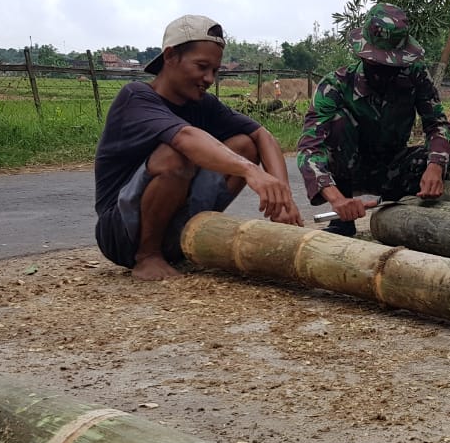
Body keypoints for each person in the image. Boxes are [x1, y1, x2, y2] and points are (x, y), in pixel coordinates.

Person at [94, 14, 301, 280]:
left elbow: (263, 136)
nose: (209, 78)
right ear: (170, 57)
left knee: (244, 145)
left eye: (214, 70)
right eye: (201, 66)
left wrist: (283, 197)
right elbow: (185, 138)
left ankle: (192, 236)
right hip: (121, 234)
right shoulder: (136, 97)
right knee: (176, 154)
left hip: (177, 225)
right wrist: (252, 172)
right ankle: (148, 256)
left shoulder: (203, 104)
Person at [297, 3, 450, 236]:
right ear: (364, 55)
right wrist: (337, 198)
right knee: (338, 123)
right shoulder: (336, 85)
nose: (386, 71)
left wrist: (435, 166)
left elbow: (437, 123)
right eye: (379, 63)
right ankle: (343, 219)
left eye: (394, 64)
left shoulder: (415, 75)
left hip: (391, 167)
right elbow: (310, 148)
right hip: (349, 172)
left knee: (443, 158)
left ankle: (395, 210)